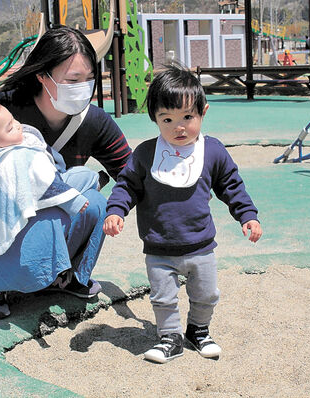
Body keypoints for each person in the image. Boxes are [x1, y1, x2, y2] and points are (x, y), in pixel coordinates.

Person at [0, 26, 132, 320]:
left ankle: (69, 275)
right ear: (42, 76)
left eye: (89, 79)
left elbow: (131, 174)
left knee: (96, 203)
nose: (83, 87)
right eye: (73, 80)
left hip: (49, 219)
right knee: (53, 211)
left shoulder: (94, 121)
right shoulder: (3, 109)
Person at [103, 65, 262, 364]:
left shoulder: (212, 151)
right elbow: (127, 186)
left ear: (203, 112)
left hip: (201, 246)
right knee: (163, 298)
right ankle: (170, 337)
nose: (179, 127)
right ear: (155, 119)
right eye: (167, 119)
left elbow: (231, 186)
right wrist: (116, 211)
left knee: (206, 295)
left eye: (188, 117)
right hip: (159, 247)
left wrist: (247, 216)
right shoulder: (146, 154)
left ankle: (198, 330)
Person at [0, 102, 100, 320]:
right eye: (9, 128)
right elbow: (47, 184)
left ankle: (63, 275)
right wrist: (71, 200)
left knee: (89, 191)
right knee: (77, 194)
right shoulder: (15, 158)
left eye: (13, 120)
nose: (17, 126)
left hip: (14, 226)